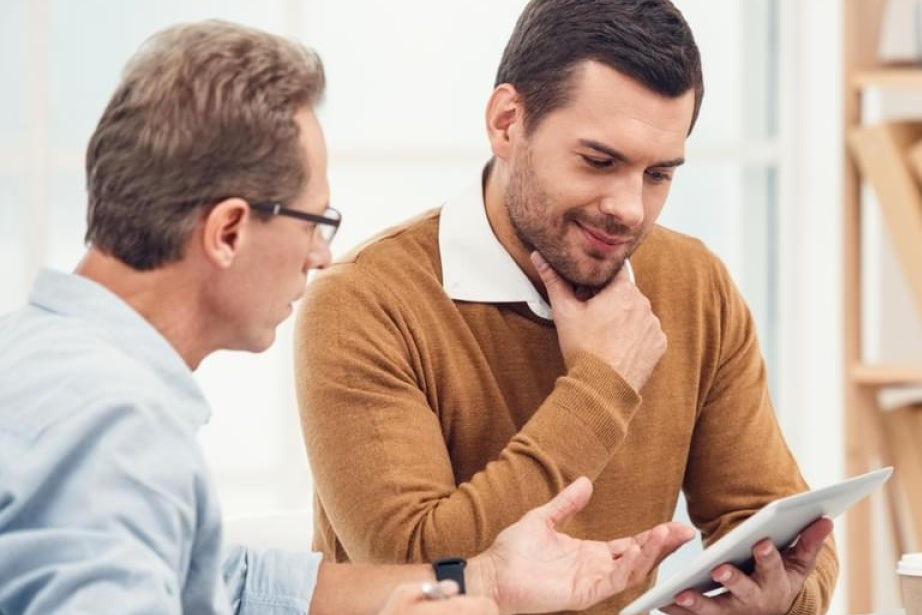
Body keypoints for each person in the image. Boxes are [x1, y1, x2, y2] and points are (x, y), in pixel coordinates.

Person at [0, 20, 694, 615]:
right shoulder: (111, 422)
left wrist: (473, 578)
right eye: (314, 221)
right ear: (229, 231)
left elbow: (225, 584)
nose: (323, 256)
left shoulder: (57, 363)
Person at [294, 1, 839, 614]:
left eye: (658, 174)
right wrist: (601, 387)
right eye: (599, 161)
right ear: (507, 122)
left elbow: (785, 530)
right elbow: (412, 573)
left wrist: (778, 597)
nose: (629, 208)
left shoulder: (695, 285)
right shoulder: (364, 304)